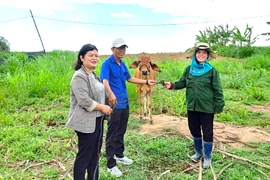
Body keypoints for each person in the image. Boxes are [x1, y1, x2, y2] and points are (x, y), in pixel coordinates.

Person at [100, 38, 156, 177]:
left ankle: (119, 155)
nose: (122, 51)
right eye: (119, 48)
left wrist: (146, 81)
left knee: (121, 130)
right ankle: (110, 164)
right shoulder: (107, 64)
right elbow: (105, 81)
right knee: (112, 133)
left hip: (125, 102)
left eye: (124, 48)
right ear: (112, 49)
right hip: (114, 103)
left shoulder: (122, 64)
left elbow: (129, 78)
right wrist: (111, 94)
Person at [164, 42, 225, 168]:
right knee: (194, 130)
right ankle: (198, 152)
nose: (201, 55)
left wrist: (218, 106)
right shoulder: (189, 70)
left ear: (207, 55)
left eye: (204, 53)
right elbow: (181, 83)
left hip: (207, 107)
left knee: (207, 132)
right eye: (199, 52)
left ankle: (207, 157)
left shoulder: (212, 71)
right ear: (195, 54)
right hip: (192, 106)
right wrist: (171, 85)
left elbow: (218, 90)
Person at [66, 44, 113, 180]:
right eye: (91, 55)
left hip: (97, 120)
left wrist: (108, 100)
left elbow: (98, 94)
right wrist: (102, 107)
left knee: (95, 154)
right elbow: (84, 101)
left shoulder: (93, 75)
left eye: (96, 56)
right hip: (85, 123)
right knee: (85, 156)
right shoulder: (79, 76)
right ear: (82, 58)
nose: (94, 58)